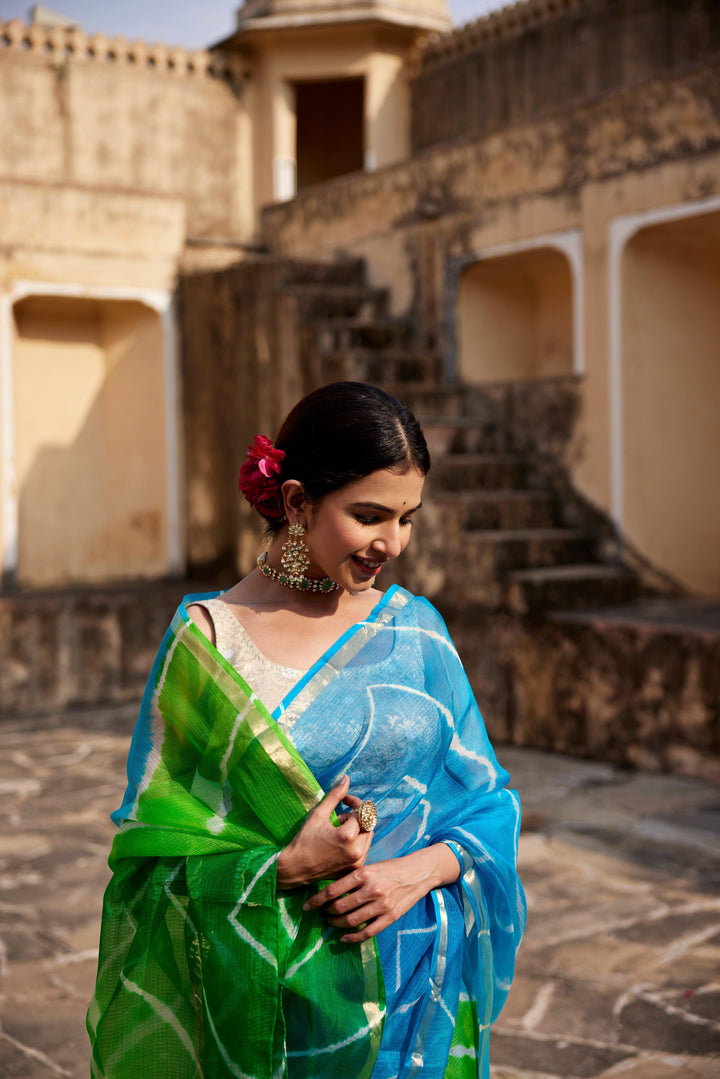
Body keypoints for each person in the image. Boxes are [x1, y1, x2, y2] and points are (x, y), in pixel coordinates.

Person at [88, 381, 526, 1079]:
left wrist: (413, 874)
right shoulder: (209, 643)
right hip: (275, 1003)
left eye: (408, 517)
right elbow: (149, 863)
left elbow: (488, 803)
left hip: (417, 986)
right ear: (296, 502)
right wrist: (286, 867)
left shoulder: (417, 629)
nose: (393, 542)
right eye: (369, 514)